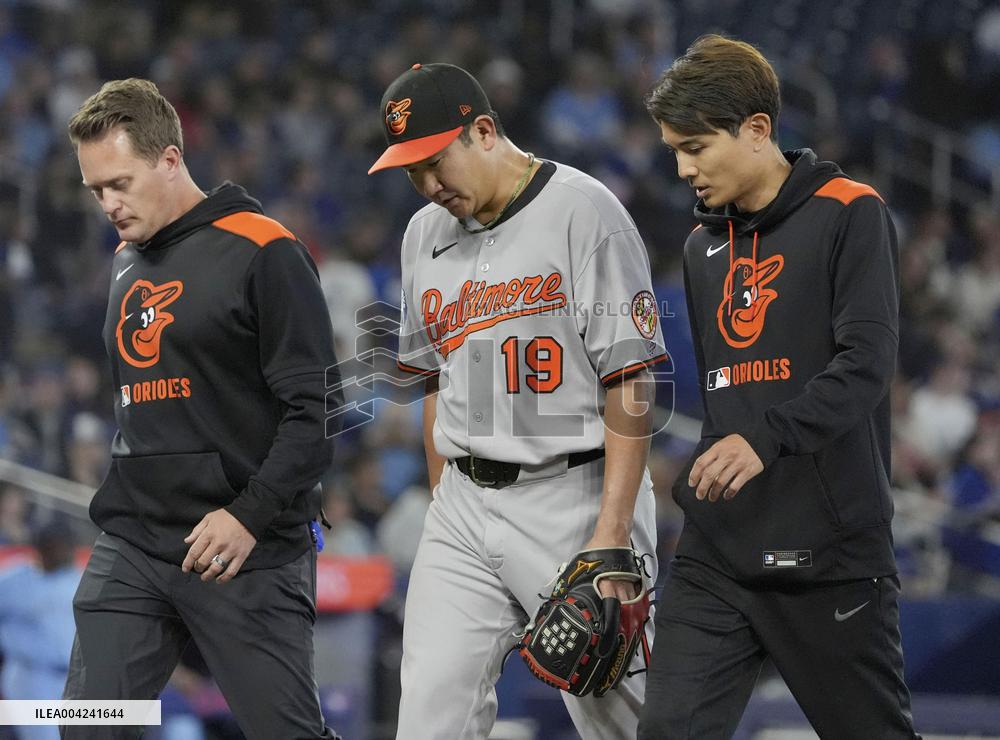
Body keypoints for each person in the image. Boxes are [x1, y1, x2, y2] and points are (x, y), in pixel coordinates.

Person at [369, 62, 667, 739]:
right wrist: (444, 500)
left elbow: (630, 380)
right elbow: (435, 379)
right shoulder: (422, 235)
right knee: (428, 722)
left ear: (483, 130)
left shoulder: (584, 211)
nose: (428, 184)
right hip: (463, 506)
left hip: (575, 497)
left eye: (435, 161)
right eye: (411, 171)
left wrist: (612, 534)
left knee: (625, 722)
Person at [638, 35, 920, 739]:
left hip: (829, 552)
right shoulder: (702, 247)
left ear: (757, 129)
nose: (683, 168)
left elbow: (866, 366)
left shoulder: (851, 211)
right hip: (717, 552)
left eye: (695, 147)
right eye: (674, 150)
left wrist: (763, 440)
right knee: (666, 732)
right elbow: (724, 395)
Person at [62, 78, 341, 740]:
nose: (108, 203)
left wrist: (249, 515)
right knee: (87, 730)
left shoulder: (265, 249)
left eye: (120, 183)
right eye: (95, 190)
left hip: (244, 549)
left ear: (169, 159)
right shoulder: (125, 262)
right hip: (135, 540)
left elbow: (319, 413)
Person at [0, 519, 82, 740]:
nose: (65, 552)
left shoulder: (78, 579)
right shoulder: (15, 579)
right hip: (31, 675)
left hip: (70, 679)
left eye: (67, 545)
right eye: (58, 545)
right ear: (42, 547)